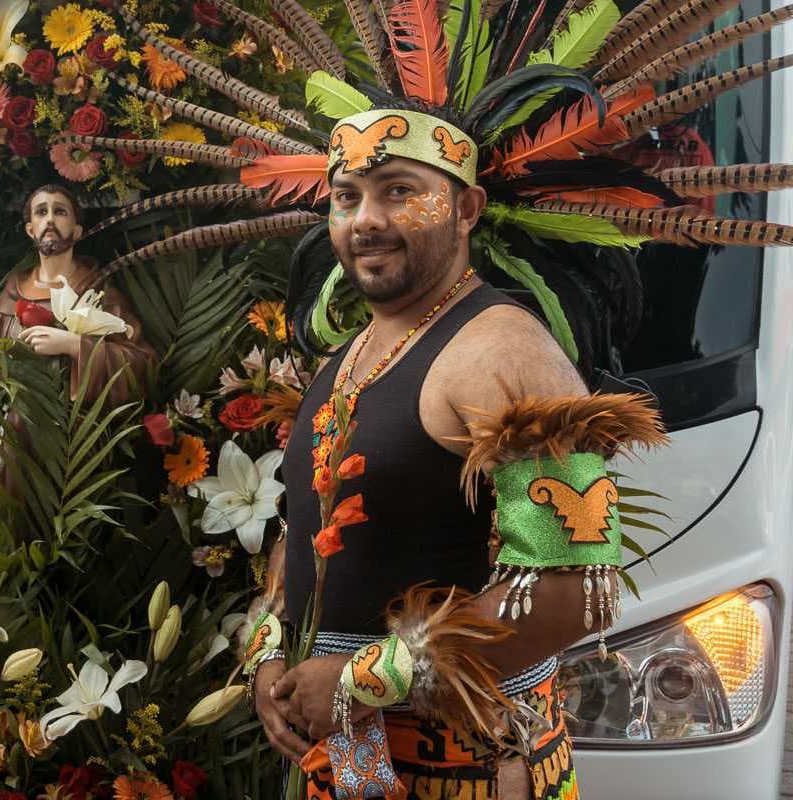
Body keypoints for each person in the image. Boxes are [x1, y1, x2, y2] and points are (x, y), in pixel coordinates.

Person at [239, 100, 666, 800]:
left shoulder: (504, 351)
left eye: (399, 191)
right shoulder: (341, 361)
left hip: (465, 767)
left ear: (466, 208)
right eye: (346, 197)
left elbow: (577, 590)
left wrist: (360, 680)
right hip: (342, 762)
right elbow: (306, 530)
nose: (366, 219)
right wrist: (268, 654)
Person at [0, 184, 156, 511]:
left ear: (77, 229)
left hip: (71, 459)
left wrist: (76, 346)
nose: (50, 219)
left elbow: (143, 363)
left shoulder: (96, 292)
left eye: (60, 211)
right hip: (8, 456)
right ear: (30, 229)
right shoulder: (10, 296)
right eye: (41, 211)